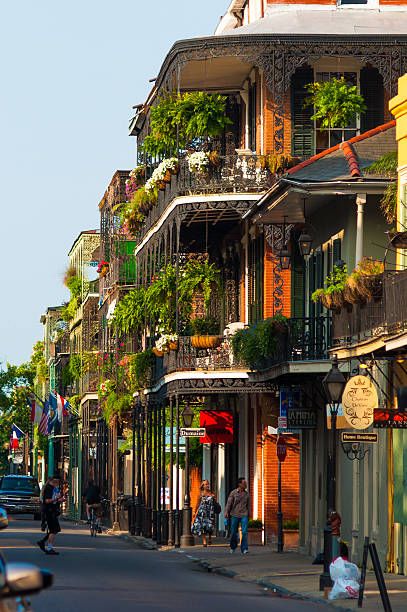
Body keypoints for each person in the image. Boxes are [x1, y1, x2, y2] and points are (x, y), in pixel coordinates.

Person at [37, 475, 65, 555]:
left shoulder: (52, 488)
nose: (56, 484)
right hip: (49, 511)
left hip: (51, 511)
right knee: (53, 530)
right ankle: (49, 547)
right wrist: (57, 499)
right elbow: (47, 500)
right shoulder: (48, 489)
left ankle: (43, 542)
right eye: (55, 482)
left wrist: (59, 500)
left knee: (55, 529)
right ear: (51, 481)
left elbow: (52, 500)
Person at [225, 477, 250, 555]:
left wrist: (249, 513)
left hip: (244, 514)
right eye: (244, 483)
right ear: (239, 484)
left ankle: (244, 548)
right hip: (234, 514)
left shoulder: (247, 494)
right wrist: (226, 512)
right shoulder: (233, 493)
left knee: (244, 532)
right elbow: (229, 503)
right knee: (233, 532)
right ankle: (233, 547)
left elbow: (248, 505)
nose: (246, 485)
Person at [192, 480, 216, 546]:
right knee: (203, 527)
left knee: (210, 526)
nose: (207, 485)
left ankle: (210, 537)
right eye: (205, 484)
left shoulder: (211, 493)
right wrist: (194, 512)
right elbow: (197, 504)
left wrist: (214, 498)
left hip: (210, 512)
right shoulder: (200, 494)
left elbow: (215, 503)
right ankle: (204, 541)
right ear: (203, 486)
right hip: (202, 512)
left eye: (208, 484)